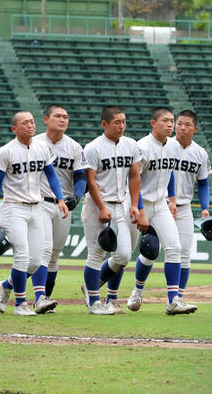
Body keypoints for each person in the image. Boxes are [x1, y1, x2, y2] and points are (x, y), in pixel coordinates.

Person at [0, 111, 68, 316]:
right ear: (15, 129)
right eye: (25, 123)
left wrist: (60, 198)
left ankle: (6, 285)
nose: (30, 125)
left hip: (36, 206)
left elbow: (51, 175)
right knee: (22, 255)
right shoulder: (5, 151)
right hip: (13, 207)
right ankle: (20, 304)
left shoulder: (42, 147)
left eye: (32, 122)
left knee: (35, 260)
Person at [127, 107, 195, 315]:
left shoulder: (174, 146)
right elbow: (133, 179)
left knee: (174, 247)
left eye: (172, 121)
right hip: (138, 202)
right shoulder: (142, 147)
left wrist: (172, 199)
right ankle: (122, 291)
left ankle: (173, 300)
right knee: (123, 254)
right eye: (165, 120)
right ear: (153, 123)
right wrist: (139, 209)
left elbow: (170, 172)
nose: (170, 124)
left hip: (160, 204)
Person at [80, 106, 143, 315]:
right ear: (105, 124)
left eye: (124, 121)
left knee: (123, 256)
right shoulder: (93, 148)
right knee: (96, 254)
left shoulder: (131, 145)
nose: (122, 126)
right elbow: (90, 181)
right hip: (96, 206)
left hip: (120, 205)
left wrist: (134, 205)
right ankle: (94, 303)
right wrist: (101, 207)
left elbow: (134, 176)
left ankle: (90, 287)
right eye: (117, 122)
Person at [31, 104, 87, 312]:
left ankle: (41, 298)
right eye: (58, 116)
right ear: (46, 119)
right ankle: (39, 298)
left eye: (66, 117)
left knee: (55, 254)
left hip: (63, 205)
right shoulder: (34, 143)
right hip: (39, 203)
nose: (63, 120)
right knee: (44, 250)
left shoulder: (73, 147)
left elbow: (81, 177)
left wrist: (77, 196)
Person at [166, 110, 209, 304]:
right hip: (160, 204)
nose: (182, 127)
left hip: (184, 207)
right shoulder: (165, 146)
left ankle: (177, 299)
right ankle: (138, 291)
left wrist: (205, 207)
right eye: (179, 123)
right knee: (148, 250)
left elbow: (203, 183)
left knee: (184, 253)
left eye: (187, 124)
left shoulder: (200, 153)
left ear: (195, 129)